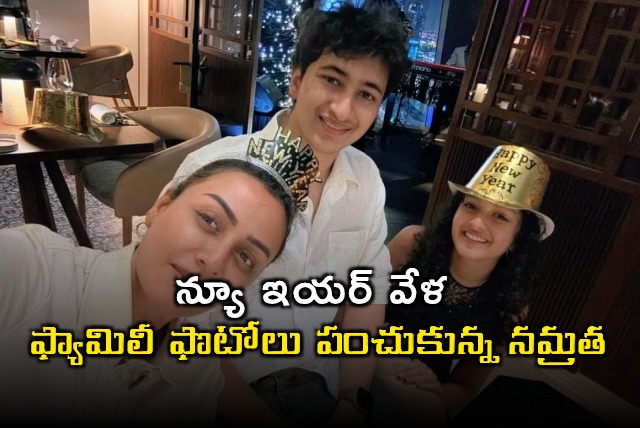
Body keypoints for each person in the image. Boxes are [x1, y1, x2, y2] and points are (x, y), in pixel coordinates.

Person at [163, 2, 411, 425]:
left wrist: (352, 401)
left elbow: (366, 298)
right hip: (216, 389)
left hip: (320, 387)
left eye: (366, 95)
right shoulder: (217, 171)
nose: (342, 110)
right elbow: (172, 321)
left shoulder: (366, 179)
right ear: (297, 80)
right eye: (332, 80)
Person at [0, 157, 297, 424]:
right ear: (161, 207)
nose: (214, 262)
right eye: (209, 220)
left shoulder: (196, 367)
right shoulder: (27, 269)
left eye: (245, 257)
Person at [379, 145, 555, 423]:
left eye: (500, 216)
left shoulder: (512, 302)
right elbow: (347, 307)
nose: (477, 223)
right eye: (471, 205)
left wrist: (436, 390)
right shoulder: (410, 244)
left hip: (421, 391)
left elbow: (465, 386)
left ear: (518, 238)